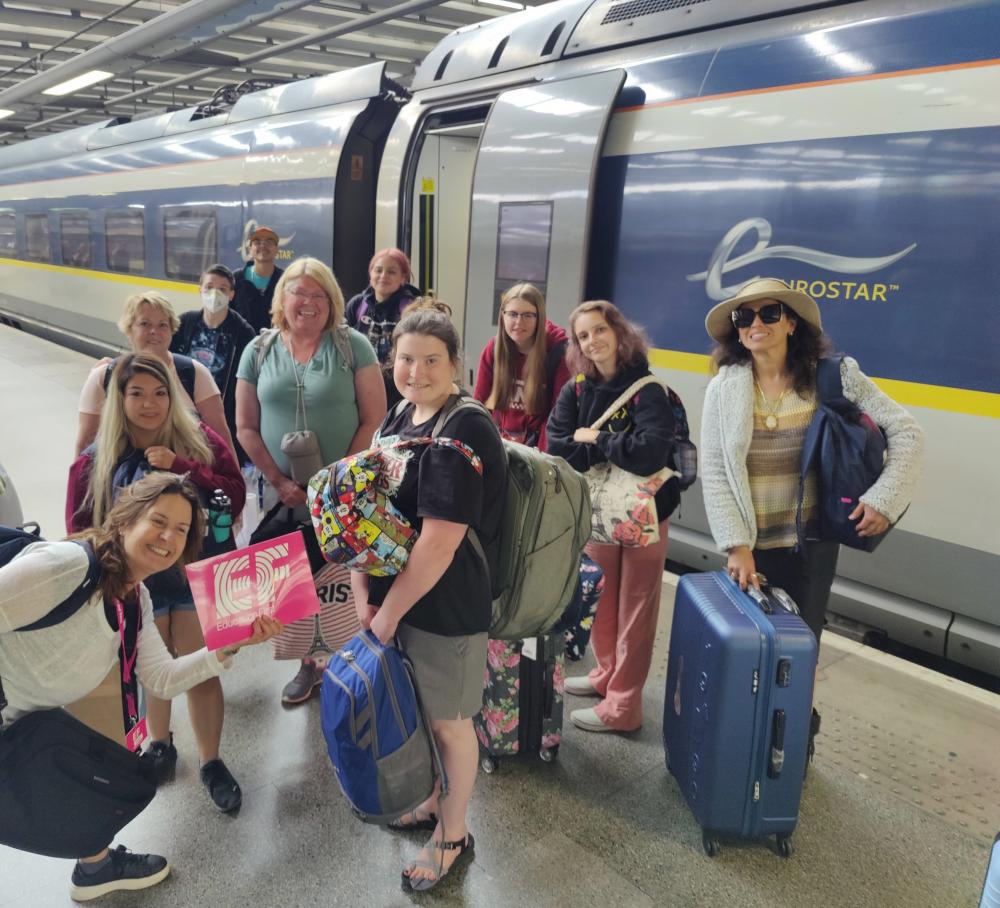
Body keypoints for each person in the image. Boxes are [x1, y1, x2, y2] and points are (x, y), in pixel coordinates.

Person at [1, 472, 281, 900]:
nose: (168, 537)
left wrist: (232, 644)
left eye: (182, 530)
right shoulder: (67, 566)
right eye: (158, 521)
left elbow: (162, 677)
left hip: (19, 723)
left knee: (81, 774)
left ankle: (95, 867)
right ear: (126, 518)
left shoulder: (134, 597)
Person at [353, 299, 506, 892]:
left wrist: (386, 616)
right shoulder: (400, 416)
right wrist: (367, 593)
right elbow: (369, 508)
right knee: (418, 712)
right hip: (399, 600)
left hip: (446, 609)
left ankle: (453, 833)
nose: (416, 372)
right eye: (405, 360)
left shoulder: (462, 427)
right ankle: (433, 801)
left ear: (456, 365)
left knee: (449, 723)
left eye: (430, 361)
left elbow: (440, 545)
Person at [66, 354, 248, 813]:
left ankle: (211, 761)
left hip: (193, 575)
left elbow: (234, 489)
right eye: (136, 393)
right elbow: (79, 528)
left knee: (200, 668)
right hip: (131, 584)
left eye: (160, 392)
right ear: (118, 399)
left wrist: (183, 465)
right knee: (149, 671)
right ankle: (159, 745)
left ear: (173, 394)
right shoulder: (95, 458)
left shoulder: (200, 440)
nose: (150, 404)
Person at [700, 276, 923, 643]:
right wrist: (735, 545)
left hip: (811, 547)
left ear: (791, 324)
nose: (757, 324)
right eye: (745, 317)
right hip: (751, 548)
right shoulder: (723, 390)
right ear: (738, 332)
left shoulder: (833, 376)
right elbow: (715, 471)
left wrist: (884, 499)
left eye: (770, 313)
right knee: (750, 651)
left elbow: (907, 432)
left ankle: (797, 704)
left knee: (800, 649)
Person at [235, 256, 386, 703]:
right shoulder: (258, 350)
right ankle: (307, 662)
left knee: (343, 578)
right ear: (282, 298)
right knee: (295, 583)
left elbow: (374, 417)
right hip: (281, 494)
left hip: (343, 491)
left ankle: (346, 663)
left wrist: (334, 482)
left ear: (333, 302)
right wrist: (279, 481)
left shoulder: (352, 345)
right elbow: (244, 425)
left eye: (319, 294)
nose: (309, 301)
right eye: (299, 292)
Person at [547, 300, 679, 734]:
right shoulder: (578, 390)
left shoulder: (647, 390)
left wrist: (599, 438)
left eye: (600, 330)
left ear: (619, 333)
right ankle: (607, 674)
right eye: (584, 335)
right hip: (600, 510)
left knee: (637, 604)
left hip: (644, 512)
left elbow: (650, 453)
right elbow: (559, 445)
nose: (593, 341)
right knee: (604, 596)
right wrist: (610, 443)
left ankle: (625, 704)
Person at [75, 291, 235, 459]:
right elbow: (85, 443)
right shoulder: (103, 377)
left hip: (188, 480)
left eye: (163, 325)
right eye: (145, 324)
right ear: (129, 329)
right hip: (120, 482)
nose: (154, 331)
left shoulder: (195, 373)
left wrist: (235, 482)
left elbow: (222, 440)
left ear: (172, 330)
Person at [170, 264, 256, 465]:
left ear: (232, 295)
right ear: (199, 289)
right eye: (209, 287)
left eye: (222, 289)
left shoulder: (243, 332)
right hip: (183, 416)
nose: (214, 294)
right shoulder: (184, 323)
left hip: (222, 416)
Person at [473, 282, 571, 450]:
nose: (519, 322)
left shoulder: (558, 352)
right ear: (502, 316)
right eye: (512, 314)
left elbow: (557, 415)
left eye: (528, 315)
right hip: (499, 442)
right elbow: (480, 406)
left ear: (539, 318)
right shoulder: (494, 348)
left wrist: (541, 459)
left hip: (536, 447)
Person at [344, 247, 420, 408]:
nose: (383, 276)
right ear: (370, 274)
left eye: (391, 272)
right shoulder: (357, 305)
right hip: (360, 387)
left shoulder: (411, 308)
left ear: (403, 278)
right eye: (378, 270)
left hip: (398, 394)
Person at [232, 225, 284, 333]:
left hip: (276, 346)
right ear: (250, 249)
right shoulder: (236, 279)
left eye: (269, 242)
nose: (263, 245)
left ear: (276, 249)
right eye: (257, 242)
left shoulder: (285, 280)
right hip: (243, 346)